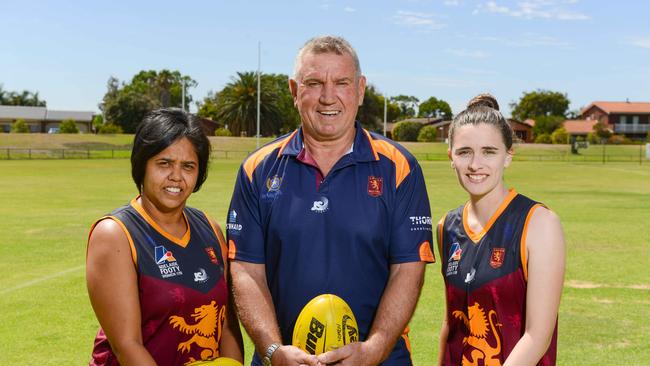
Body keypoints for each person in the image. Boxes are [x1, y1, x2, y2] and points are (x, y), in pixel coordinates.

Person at [227, 35, 435, 366]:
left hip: (382, 359)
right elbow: (247, 271)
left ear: (361, 89)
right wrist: (272, 351)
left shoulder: (399, 166)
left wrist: (373, 350)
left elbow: (407, 269)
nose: (328, 97)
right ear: (295, 91)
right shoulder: (257, 168)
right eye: (313, 83)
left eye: (341, 82)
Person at [86, 109, 244, 366]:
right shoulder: (115, 234)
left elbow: (226, 325)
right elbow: (127, 345)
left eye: (188, 166)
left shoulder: (210, 228)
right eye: (164, 163)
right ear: (142, 164)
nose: (176, 177)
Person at [436, 94, 565, 365]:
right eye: (464, 152)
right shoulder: (447, 227)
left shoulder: (539, 223)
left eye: (489, 151)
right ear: (451, 157)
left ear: (508, 156)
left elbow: (538, 335)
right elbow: (451, 323)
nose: (475, 164)